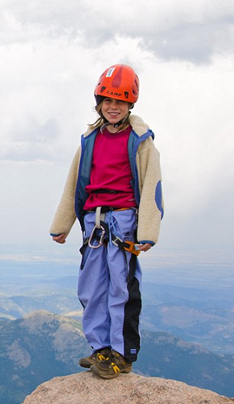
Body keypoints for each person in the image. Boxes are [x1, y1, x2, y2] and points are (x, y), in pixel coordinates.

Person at [49, 64, 163, 379]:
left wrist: (148, 232)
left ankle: (122, 354)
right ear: (99, 103)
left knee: (121, 289)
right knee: (90, 289)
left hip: (123, 221)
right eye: (108, 101)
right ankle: (100, 348)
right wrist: (63, 224)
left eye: (121, 102)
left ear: (130, 106)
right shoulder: (90, 140)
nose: (113, 108)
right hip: (93, 224)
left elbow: (152, 184)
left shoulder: (140, 141)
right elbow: (75, 183)